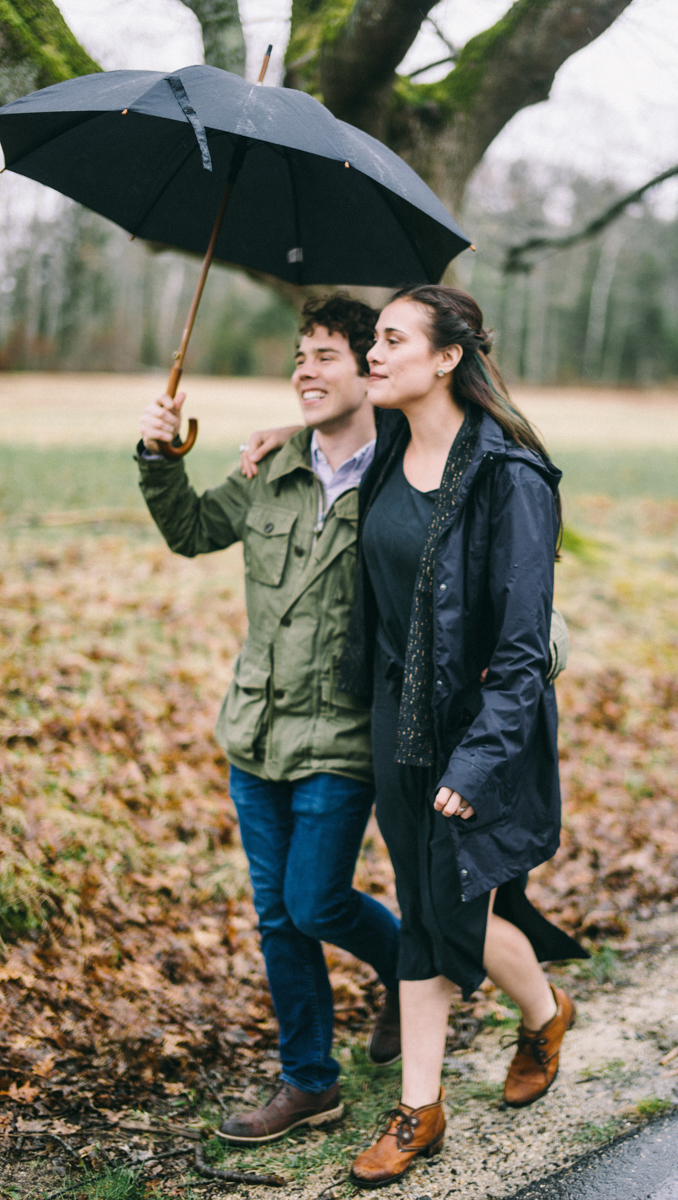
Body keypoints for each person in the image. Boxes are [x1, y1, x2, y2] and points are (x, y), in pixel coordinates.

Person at [337, 284, 587, 1188]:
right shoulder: (385, 456)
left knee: (449, 911)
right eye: (373, 339)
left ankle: (422, 1107)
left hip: (484, 732)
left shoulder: (511, 479)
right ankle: (540, 1013)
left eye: (391, 339)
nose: (374, 351)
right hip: (398, 726)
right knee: (435, 910)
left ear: (446, 358)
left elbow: (522, 653)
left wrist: (478, 760)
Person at [136, 294, 401, 1146]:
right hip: (254, 734)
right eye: (299, 354)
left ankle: (408, 966)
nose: (304, 369)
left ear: (370, 370)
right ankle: (308, 1081)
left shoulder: (404, 480)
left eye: (326, 355)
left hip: (342, 737)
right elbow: (188, 529)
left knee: (316, 901)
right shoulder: (271, 472)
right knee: (277, 915)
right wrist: (158, 453)